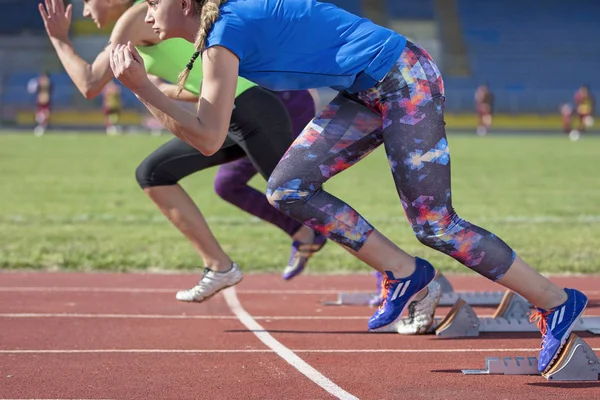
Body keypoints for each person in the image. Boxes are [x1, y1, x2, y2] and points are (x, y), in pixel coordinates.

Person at [110, 0, 588, 372]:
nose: (146, 12)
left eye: (154, 1)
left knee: (435, 225)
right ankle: (405, 273)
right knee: (288, 188)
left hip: (404, 78)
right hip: (366, 90)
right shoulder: (215, 36)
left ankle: (558, 302)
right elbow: (206, 130)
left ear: (187, 4)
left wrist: (142, 88)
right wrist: (143, 88)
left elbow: (209, 137)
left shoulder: (225, 30)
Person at [38, 0, 326, 302]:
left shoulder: (137, 16)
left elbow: (90, 83)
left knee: (300, 199)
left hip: (254, 111)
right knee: (154, 174)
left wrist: (59, 38)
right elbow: (202, 82)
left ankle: (378, 266)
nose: (85, 11)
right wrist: (162, 90)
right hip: (231, 116)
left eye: (85, 2)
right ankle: (219, 266)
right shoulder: (148, 16)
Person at [27, 71, 52, 136]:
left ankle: (42, 127)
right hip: (40, 100)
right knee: (39, 115)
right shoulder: (38, 83)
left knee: (46, 114)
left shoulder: (48, 83)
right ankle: (40, 127)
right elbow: (32, 89)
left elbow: (48, 89)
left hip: (46, 100)